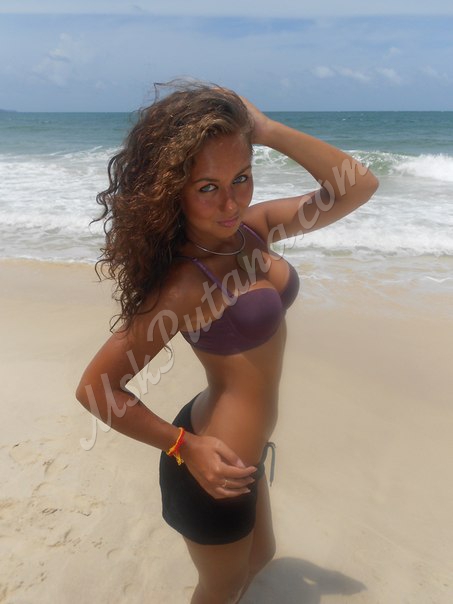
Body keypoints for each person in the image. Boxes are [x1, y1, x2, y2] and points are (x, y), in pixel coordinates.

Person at [76, 81, 378, 604]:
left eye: (241, 177)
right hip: (210, 466)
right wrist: (184, 447)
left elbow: (357, 187)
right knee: (221, 587)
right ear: (172, 190)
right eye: (207, 187)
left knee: (261, 557)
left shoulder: (252, 231)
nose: (231, 201)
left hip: (243, 452)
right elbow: (95, 389)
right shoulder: (185, 284)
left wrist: (267, 130)